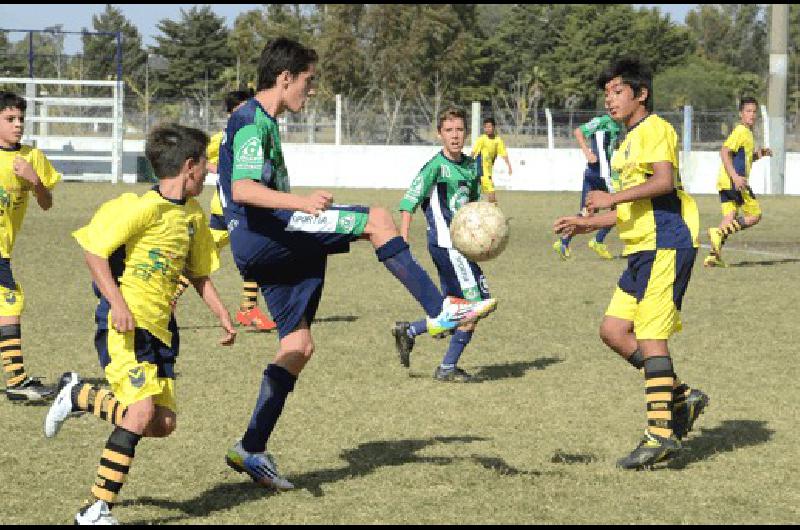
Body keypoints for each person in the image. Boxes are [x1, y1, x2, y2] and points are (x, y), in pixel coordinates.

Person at [217, 37, 497, 490]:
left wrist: (298, 206)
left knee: (297, 347)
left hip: (270, 244)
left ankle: (251, 447)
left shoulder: (261, 120)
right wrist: (301, 203)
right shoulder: (251, 120)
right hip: (267, 238)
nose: (310, 91)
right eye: (307, 82)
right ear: (285, 78)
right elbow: (245, 189)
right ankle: (441, 309)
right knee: (379, 219)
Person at [43, 123, 236, 525]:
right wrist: (116, 303)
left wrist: (221, 313)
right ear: (189, 167)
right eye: (205, 165)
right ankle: (94, 510)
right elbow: (94, 253)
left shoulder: (193, 217)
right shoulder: (140, 208)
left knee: (162, 424)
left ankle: (78, 395)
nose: (208, 172)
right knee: (141, 410)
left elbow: (198, 272)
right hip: (125, 325)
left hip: (162, 330)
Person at [553, 59, 709, 470]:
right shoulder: (627, 141)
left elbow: (663, 181)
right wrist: (587, 223)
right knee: (613, 330)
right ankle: (681, 396)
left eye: (618, 91)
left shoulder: (655, 128)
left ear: (640, 94)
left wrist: (610, 199)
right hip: (641, 248)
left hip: (666, 245)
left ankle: (660, 436)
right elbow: (632, 207)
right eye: (606, 93)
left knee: (653, 338)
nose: (610, 98)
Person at [392, 107, 490, 383]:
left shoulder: (472, 165)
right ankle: (446, 367)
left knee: (457, 307)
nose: (455, 135)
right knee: (476, 305)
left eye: (459, 129)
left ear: (466, 133)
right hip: (446, 246)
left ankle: (411, 331)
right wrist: (403, 238)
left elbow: (471, 206)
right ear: (440, 134)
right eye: (449, 130)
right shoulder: (435, 167)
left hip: (463, 246)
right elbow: (409, 201)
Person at [171, 88, 277, 331]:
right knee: (201, 260)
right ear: (231, 113)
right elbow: (194, 158)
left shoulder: (256, 132)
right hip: (226, 210)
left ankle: (249, 309)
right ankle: (170, 299)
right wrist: (216, 168)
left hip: (248, 208)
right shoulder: (223, 137)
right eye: (243, 108)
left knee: (256, 257)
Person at [0, 91, 61, 401]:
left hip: (4, 249)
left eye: (21, 119)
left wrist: (35, 181)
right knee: (9, 303)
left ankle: (16, 380)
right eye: (10, 119)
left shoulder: (31, 157)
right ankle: (17, 380)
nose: (18, 125)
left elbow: (48, 204)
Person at [704, 97, 771, 267]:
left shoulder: (747, 134)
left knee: (730, 216)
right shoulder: (741, 131)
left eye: (754, 111)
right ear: (741, 114)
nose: (752, 115)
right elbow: (725, 151)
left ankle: (713, 255)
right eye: (748, 111)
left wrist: (759, 154)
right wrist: (735, 176)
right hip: (734, 181)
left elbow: (745, 159)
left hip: (725, 182)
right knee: (754, 215)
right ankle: (718, 232)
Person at [552, 109, 619, 260]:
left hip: (594, 173)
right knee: (621, 208)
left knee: (586, 213)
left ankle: (563, 241)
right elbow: (578, 131)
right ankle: (598, 241)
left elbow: (610, 149)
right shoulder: (602, 121)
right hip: (602, 175)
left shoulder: (618, 125)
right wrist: (587, 152)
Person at [471, 117, 512, 204]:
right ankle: (493, 212)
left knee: (479, 193)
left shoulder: (498, 140)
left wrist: (509, 166)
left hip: (488, 170)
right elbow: (474, 152)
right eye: (486, 127)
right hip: (480, 169)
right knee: (491, 191)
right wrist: (467, 164)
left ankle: (490, 211)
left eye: (489, 127)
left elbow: (503, 153)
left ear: (494, 127)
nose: (487, 129)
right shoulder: (482, 139)